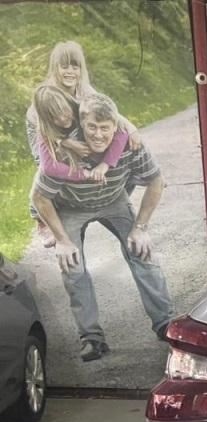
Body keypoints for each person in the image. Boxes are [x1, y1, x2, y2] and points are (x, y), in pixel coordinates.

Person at [30, 93, 174, 362]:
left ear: (115, 127)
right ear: (82, 124)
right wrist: (62, 239)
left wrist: (140, 227)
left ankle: (165, 323)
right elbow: (39, 197)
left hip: (113, 200)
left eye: (105, 128)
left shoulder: (130, 144)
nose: (98, 134)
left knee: (142, 251)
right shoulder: (64, 148)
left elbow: (156, 180)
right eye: (92, 127)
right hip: (71, 207)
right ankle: (91, 337)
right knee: (72, 266)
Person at [26, 41, 140, 245]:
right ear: (55, 68)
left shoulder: (84, 89)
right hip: (46, 132)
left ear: (81, 69)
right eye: (64, 66)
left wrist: (131, 128)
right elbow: (45, 130)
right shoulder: (47, 95)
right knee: (48, 167)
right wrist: (66, 143)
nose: (70, 72)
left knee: (118, 149)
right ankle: (42, 218)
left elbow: (109, 113)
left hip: (70, 128)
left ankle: (113, 194)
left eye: (75, 66)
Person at [32, 85, 130, 183]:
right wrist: (84, 174)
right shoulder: (45, 130)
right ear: (46, 120)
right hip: (78, 174)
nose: (62, 119)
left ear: (68, 102)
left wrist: (105, 164)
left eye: (64, 111)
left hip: (107, 164)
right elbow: (48, 166)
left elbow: (122, 132)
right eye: (54, 117)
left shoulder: (85, 110)